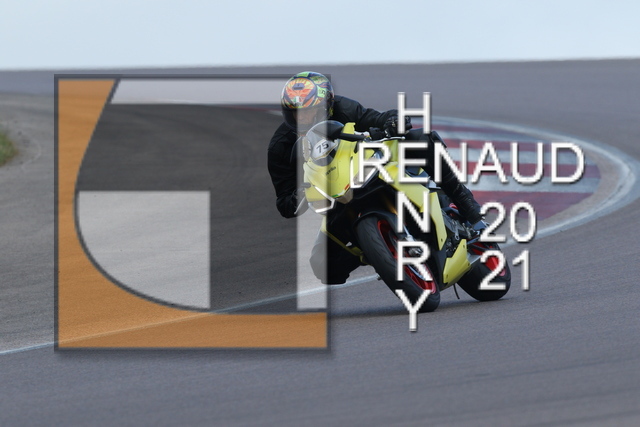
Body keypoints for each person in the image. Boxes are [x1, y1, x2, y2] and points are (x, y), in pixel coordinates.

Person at [267, 71, 483, 284]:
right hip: (335, 200)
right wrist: (301, 193)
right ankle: (375, 251)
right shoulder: (280, 147)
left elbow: (376, 118)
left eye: (310, 111)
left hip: (365, 168)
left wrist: (393, 121)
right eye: (296, 113)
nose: (303, 118)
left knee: (421, 139)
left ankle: (467, 205)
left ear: (326, 106)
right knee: (323, 267)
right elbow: (284, 203)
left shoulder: (343, 108)